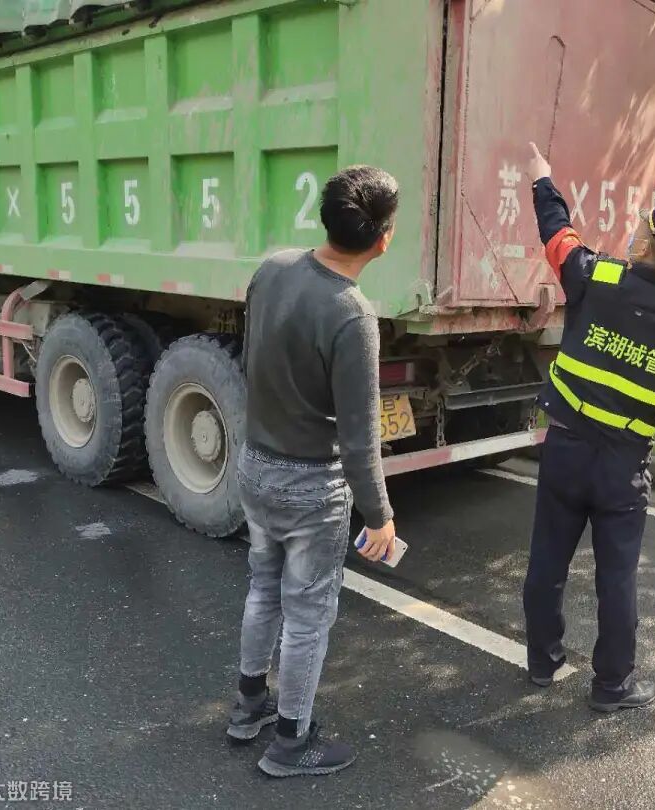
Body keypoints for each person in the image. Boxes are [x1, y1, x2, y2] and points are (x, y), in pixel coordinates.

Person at [522, 143, 655, 713]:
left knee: (547, 562)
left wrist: (542, 180)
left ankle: (542, 661)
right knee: (617, 579)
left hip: (565, 451)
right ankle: (611, 686)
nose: (632, 231)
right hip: (622, 469)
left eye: (640, 227)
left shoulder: (595, 277)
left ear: (648, 243)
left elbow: (558, 236)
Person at [226, 165, 400, 777]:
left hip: (255, 466)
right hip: (310, 488)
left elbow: (251, 355)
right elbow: (359, 439)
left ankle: (249, 705)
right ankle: (291, 742)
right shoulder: (352, 315)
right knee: (307, 616)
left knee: (262, 589)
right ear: (383, 238)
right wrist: (379, 516)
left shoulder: (272, 269)